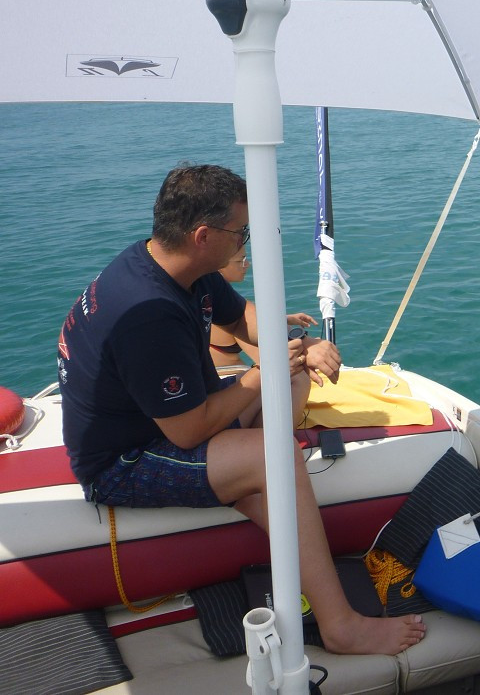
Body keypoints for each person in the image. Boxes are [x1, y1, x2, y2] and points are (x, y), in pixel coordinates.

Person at [57, 163, 425, 655]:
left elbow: (244, 318)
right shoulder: (145, 314)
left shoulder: (178, 268)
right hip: (125, 460)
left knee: (294, 379)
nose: (245, 242)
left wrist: (297, 344)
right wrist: (263, 371)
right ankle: (340, 625)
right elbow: (188, 433)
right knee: (273, 455)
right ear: (204, 235)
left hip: (175, 419)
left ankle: (255, 489)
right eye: (241, 232)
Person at [210, 247, 318, 369]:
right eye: (241, 260)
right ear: (220, 264)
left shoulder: (209, 300)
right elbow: (270, 362)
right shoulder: (229, 314)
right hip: (229, 376)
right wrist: (309, 349)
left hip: (223, 373)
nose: (247, 264)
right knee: (299, 378)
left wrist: (284, 319)